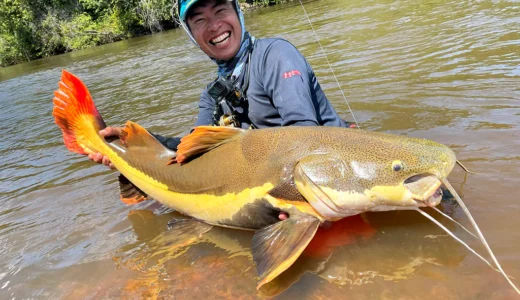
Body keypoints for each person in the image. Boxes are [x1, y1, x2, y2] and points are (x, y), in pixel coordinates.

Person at [89, 0, 351, 169]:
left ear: (237, 13)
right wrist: (134, 144)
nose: (214, 26)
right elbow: (194, 151)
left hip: (332, 169)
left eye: (220, 10)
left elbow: (303, 134)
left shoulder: (275, 55)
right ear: (193, 36)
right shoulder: (211, 95)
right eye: (200, 20)